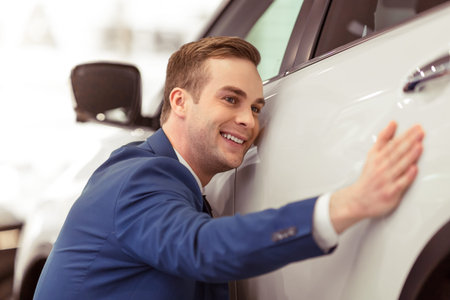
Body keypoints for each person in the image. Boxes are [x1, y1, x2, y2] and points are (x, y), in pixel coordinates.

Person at [33, 36, 424, 300]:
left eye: (255, 108)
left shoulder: (181, 186)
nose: (248, 121)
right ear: (181, 102)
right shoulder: (139, 176)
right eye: (231, 99)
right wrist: (348, 204)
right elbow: (202, 247)